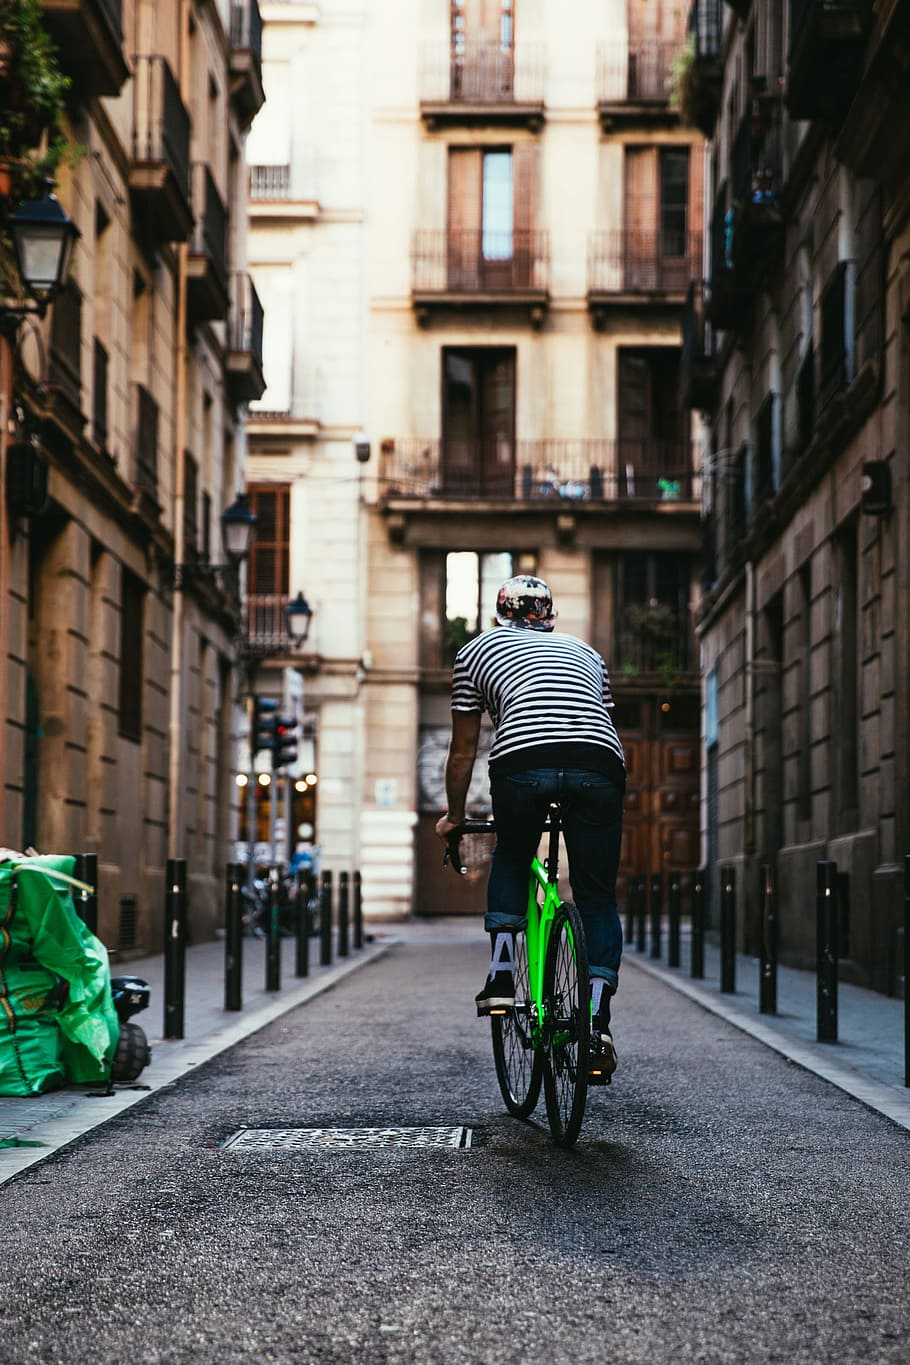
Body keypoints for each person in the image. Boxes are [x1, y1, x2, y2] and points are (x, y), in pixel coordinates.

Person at [434, 574, 625, 1081]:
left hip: (522, 761)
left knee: (514, 854)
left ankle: (500, 973)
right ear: (550, 617)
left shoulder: (474, 652)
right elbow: (600, 724)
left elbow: (462, 752)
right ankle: (596, 1025)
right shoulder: (588, 653)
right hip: (598, 764)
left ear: (501, 616)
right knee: (598, 897)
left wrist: (455, 816)